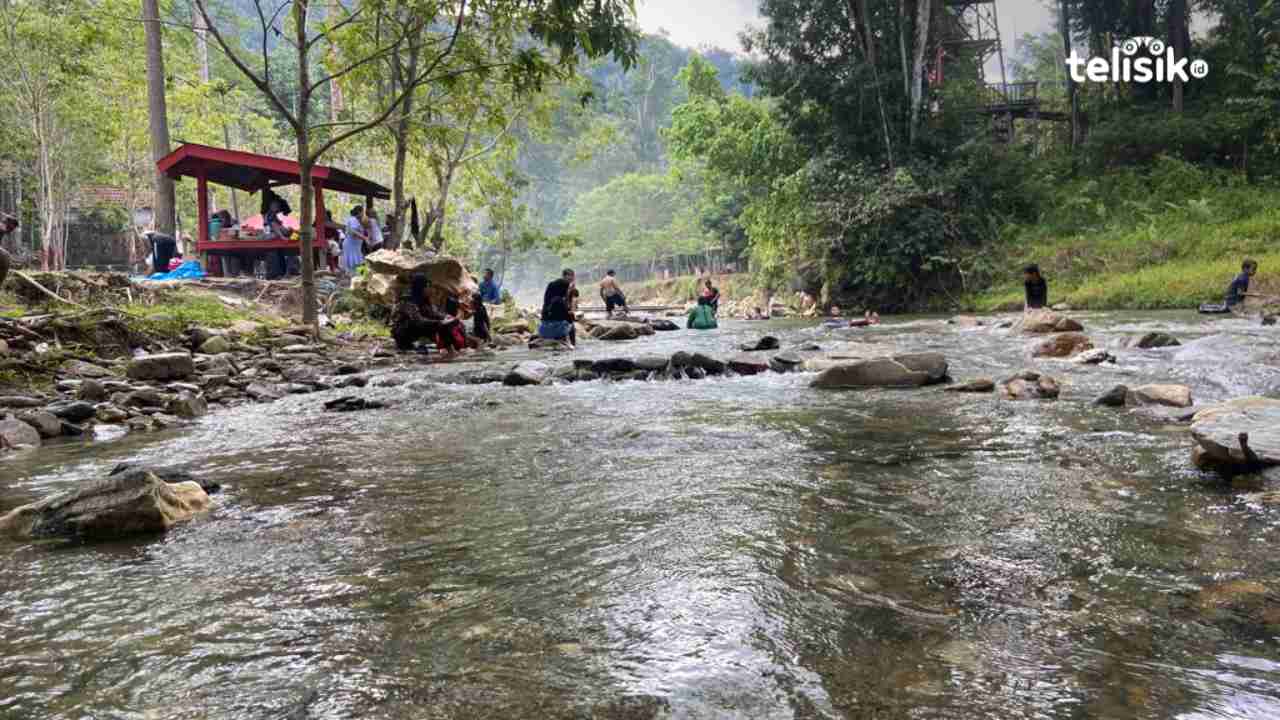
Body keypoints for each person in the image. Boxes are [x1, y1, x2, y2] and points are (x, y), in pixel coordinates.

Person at [389, 273, 466, 358]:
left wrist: (447, 317)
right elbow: (417, 321)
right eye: (427, 286)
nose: (430, 289)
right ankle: (446, 351)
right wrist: (440, 322)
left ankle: (451, 351)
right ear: (421, 287)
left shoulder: (424, 300)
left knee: (446, 324)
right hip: (402, 332)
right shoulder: (407, 300)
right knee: (439, 324)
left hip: (416, 327)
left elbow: (433, 313)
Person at [540, 268, 578, 347]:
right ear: (565, 276)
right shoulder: (566, 289)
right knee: (570, 324)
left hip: (544, 325)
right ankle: (572, 345)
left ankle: (560, 341)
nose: (571, 280)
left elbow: (545, 301)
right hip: (557, 326)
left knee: (565, 320)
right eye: (571, 278)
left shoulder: (551, 285)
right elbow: (572, 302)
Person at [342, 206, 368, 272]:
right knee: (355, 264)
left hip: (355, 246)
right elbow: (353, 232)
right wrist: (364, 238)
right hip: (351, 245)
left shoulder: (356, 220)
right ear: (359, 212)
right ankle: (359, 278)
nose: (363, 214)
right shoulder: (353, 219)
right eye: (363, 212)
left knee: (358, 263)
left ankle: (361, 277)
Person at [0, 213, 17, 287]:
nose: (12, 230)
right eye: (12, 228)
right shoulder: (2, 227)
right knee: (6, 257)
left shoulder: (3, 230)